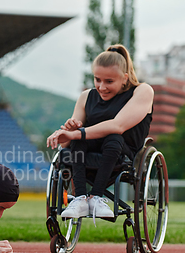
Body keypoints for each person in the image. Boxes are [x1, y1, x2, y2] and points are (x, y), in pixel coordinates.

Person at [46, 44, 153, 220]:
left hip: (123, 154)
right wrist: (69, 131)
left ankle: (96, 197)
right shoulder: (86, 96)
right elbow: (68, 142)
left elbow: (118, 126)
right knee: (79, 137)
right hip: (91, 150)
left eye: (109, 81)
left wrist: (78, 133)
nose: (102, 87)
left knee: (112, 137)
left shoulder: (142, 91)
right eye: (97, 80)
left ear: (125, 78)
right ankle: (80, 198)